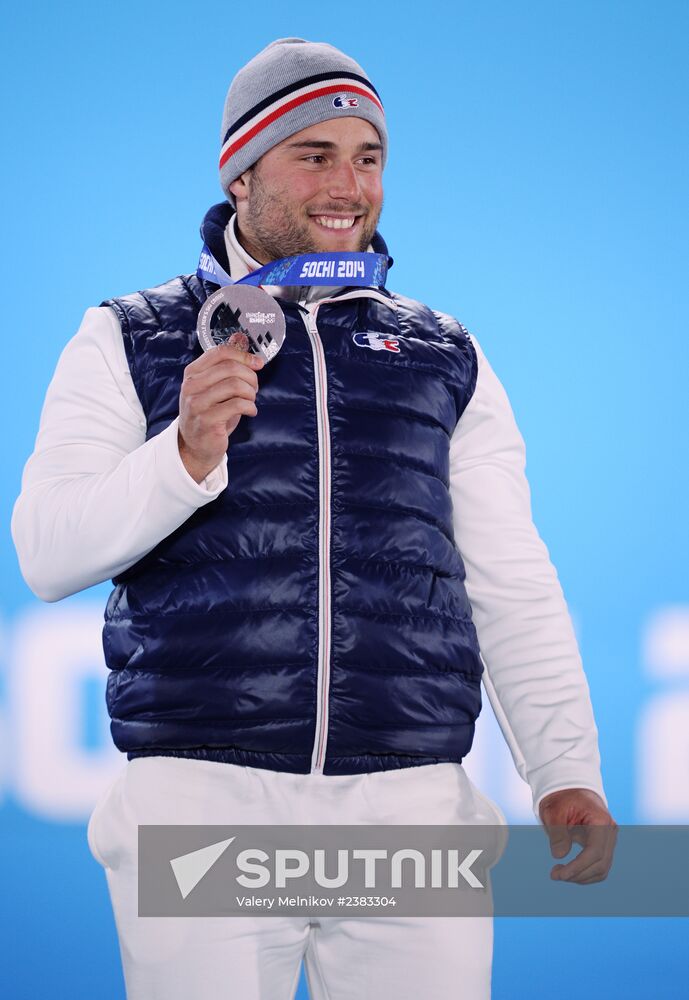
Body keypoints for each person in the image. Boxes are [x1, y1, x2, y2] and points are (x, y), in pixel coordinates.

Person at [11, 37, 617, 1000]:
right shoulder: (129, 334)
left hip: (408, 800)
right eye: (314, 154)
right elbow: (45, 552)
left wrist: (562, 767)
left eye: (368, 158)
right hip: (203, 801)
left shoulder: (442, 352)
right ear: (241, 173)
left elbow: (508, 576)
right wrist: (182, 457)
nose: (349, 185)